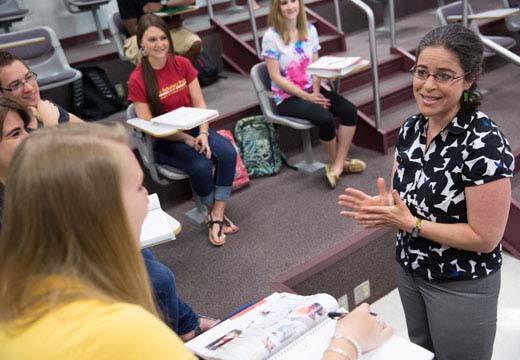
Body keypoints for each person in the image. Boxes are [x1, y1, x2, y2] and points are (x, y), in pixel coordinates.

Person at [0, 122, 391, 359]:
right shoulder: (119, 328)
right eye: (139, 188)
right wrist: (347, 343)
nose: (148, 200)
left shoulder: (17, 299)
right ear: (101, 212)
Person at [339, 24, 514, 360]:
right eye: (422, 72)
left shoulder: (484, 143)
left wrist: (411, 224)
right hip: (410, 268)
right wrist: (386, 206)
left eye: (444, 75)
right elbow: (404, 200)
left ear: (470, 78)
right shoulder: (411, 128)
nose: (428, 85)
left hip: (461, 281)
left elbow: (486, 237)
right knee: (420, 352)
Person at [0, 98, 216, 341]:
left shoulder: (28, 164)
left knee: (148, 262)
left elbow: (99, 141)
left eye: (29, 77)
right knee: (159, 279)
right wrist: (53, 132)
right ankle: (175, 332)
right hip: (50, 291)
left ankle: (185, 324)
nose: (28, 139)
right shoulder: (33, 179)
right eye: (16, 133)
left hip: (74, 262)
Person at [128, 14, 238, 246]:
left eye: (162, 38)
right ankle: (214, 215)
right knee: (201, 164)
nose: (159, 44)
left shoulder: (182, 64)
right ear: (141, 44)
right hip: (165, 139)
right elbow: (149, 126)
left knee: (227, 152)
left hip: (196, 128)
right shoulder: (137, 79)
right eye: (151, 40)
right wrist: (188, 140)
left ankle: (216, 213)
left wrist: (204, 134)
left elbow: (200, 105)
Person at [261, 0, 365, 190]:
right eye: (284, 3)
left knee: (349, 110)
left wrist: (316, 92)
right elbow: (275, 76)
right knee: (325, 119)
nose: (290, 7)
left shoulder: (310, 30)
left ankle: (339, 164)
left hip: (313, 89)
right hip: (287, 98)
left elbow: (316, 66)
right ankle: (337, 163)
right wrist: (308, 97)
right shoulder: (271, 37)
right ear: (277, 8)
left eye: (293, 1)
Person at [0, 51, 83, 128]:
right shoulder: (8, 130)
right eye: (16, 85)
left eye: (29, 77)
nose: (29, 88)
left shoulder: (44, 108)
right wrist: (50, 122)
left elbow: (89, 133)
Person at [116, 0, 202, 64]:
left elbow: (191, 1)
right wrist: (166, 26)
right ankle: (163, 82)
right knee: (159, 51)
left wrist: (163, 4)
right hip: (140, 36)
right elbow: (133, 30)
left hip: (169, 30)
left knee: (195, 44)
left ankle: (180, 76)